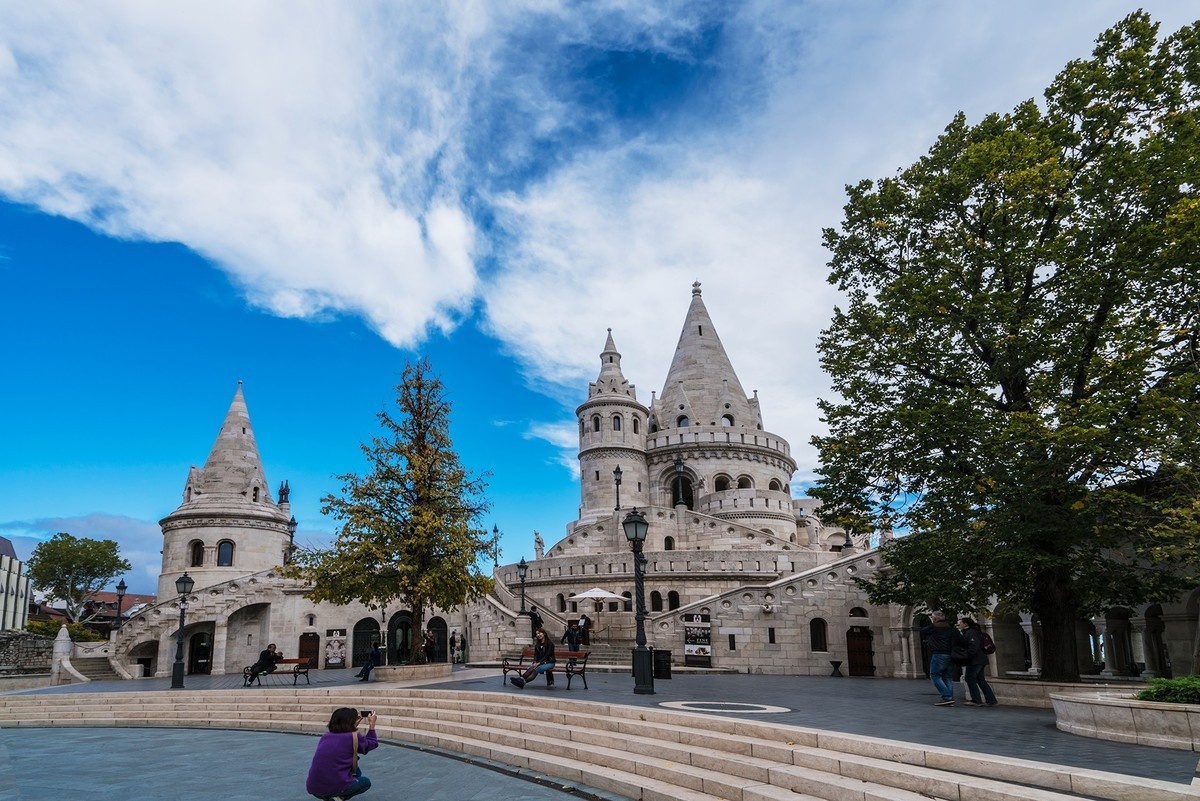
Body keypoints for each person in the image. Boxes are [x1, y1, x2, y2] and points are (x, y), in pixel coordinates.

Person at [306, 707, 379, 800]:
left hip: (314, 788)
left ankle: (334, 796)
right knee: (365, 782)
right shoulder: (353, 737)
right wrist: (372, 725)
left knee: (356, 771)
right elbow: (372, 743)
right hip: (332, 788)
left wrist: (352, 725)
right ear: (351, 722)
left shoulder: (326, 736)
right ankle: (338, 797)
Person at [957, 617, 998, 707]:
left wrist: (967, 656)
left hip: (975, 660)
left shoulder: (971, 632)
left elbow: (973, 646)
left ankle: (976, 700)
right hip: (980, 659)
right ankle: (991, 700)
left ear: (965, 624)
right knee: (980, 679)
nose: (959, 624)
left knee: (969, 678)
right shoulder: (973, 632)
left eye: (961, 623)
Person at [919, 611, 956, 706]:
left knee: (935, 675)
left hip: (938, 654)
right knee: (947, 677)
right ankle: (949, 698)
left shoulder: (934, 627)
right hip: (949, 654)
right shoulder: (950, 627)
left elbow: (922, 631)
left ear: (935, 619)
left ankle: (947, 696)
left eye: (932, 617)